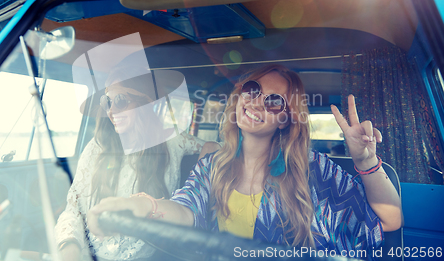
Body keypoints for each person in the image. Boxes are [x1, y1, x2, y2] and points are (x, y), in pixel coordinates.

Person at [87, 64, 402, 257]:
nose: (256, 102)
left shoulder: (310, 169)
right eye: (252, 89)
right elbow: (185, 211)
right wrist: (145, 205)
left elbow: (389, 221)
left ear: (284, 119)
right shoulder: (213, 166)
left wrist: (366, 161)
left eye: (274, 100)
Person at [54, 70, 218, 261]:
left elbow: (220, 148)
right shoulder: (96, 148)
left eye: (121, 100)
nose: (112, 110)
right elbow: (73, 210)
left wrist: (207, 156)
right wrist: (69, 249)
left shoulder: (172, 142)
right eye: (107, 102)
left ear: (144, 104)